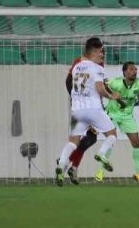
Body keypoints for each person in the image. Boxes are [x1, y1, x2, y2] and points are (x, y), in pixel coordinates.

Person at [55, 38, 119, 186]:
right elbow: (99, 87)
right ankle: (100, 155)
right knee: (110, 135)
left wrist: (76, 98)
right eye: (101, 51)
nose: (102, 54)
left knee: (78, 141)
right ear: (94, 51)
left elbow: (72, 81)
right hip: (93, 108)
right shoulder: (97, 66)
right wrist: (111, 97)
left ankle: (63, 164)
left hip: (77, 109)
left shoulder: (78, 65)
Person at [59, 46, 104, 185]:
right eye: (99, 52)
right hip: (84, 107)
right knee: (82, 138)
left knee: (90, 138)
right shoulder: (80, 62)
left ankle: (70, 164)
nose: (101, 55)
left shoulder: (99, 63)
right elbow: (68, 80)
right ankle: (67, 163)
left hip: (91, 106)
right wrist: (77, 98)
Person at [95, 61, 139, 184]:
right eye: (132, 69)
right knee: (111, 139)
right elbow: (103, 86)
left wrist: (137, 101)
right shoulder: (116, 82)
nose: (135, 71)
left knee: (136, 143)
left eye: (135, 69)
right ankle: (100, 172)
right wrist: (112, 94)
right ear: (125, 72)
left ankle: (138, 173)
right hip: (112, 114)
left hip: (127, 115)